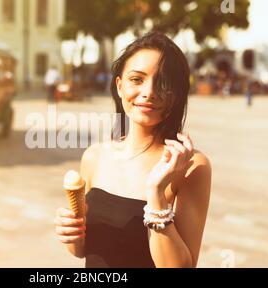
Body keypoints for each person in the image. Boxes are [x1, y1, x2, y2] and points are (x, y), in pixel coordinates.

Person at [54, 31, 212, 268]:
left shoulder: (190, 166)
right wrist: (71, 235)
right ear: (119, 86)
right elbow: (84, 250)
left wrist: (156, 193)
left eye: (163, 82)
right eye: (137, 79)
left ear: (177, 95)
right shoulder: (95, 156)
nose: (149, 92)